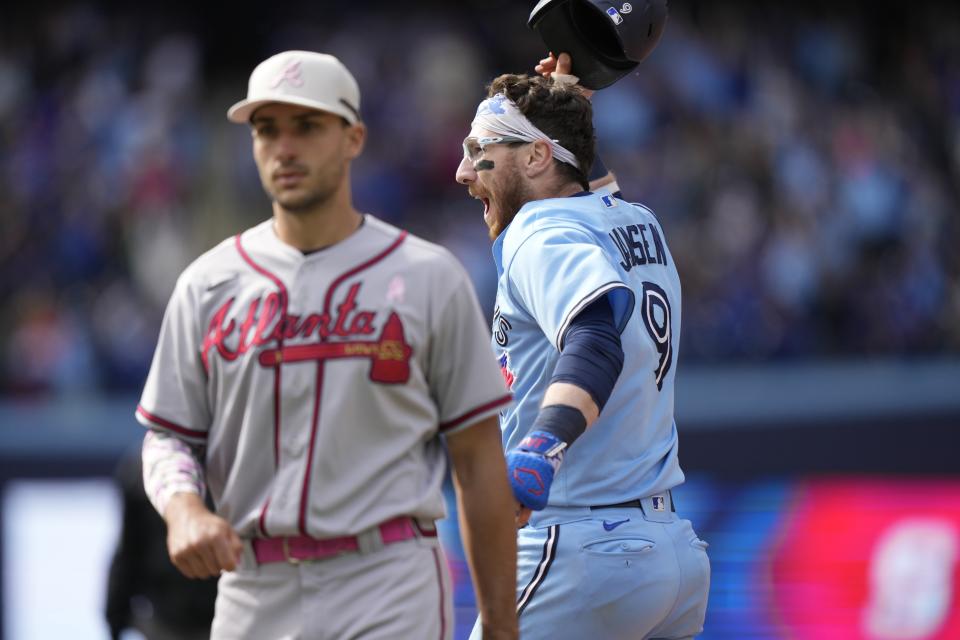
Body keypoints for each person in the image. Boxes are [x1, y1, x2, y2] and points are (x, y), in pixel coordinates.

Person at [135, 50, 519, 640]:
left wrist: (498, 622)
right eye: (267, 129)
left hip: (386, 577)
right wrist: (183, 508)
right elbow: (168, 436)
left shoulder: (429, 277)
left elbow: (477, 461)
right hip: (252, 584)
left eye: (307, 127)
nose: (284, 147)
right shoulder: (206, 285)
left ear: (353, 138)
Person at [456, 52, 711, 639]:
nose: (465, 172)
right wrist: (571, 104)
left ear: (538, 155)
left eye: (479, 150)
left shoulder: (539, 232)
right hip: (669, 547)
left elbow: (594, 336)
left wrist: (543, 446)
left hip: (583, 552)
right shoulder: (634, 218)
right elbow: (582, 181)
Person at [105, 445, 217, 640]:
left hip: (231, 613)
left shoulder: (234, 463)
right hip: (165, 620)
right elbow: (129, 552)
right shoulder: (141, 468)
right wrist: (115, 619)